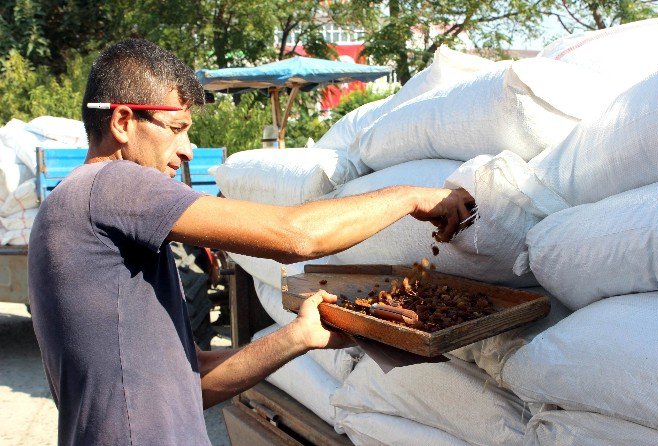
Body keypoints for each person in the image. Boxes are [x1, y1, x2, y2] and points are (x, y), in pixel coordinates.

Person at [28, 39, 474, 445]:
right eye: (176, 127)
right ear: (124, 121)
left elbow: (192, 384)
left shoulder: (78, 207)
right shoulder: (111, 184)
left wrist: (299, 337)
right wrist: (413, 196)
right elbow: (295, 236)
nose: (188, 149)